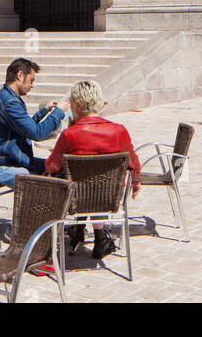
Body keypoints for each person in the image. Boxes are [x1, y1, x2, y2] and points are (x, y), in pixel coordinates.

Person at [44, 79, 140, 260]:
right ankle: (95, 235)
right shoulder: (119, 131)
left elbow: (51, 166)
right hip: (110, 197)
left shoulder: (69, 134)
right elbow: (133, 162)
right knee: (96, 183)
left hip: (76, 200)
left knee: (75, 181)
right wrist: (135, 182)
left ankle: (77, 229)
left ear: (78, 105)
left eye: (72, 104)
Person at [0, 57, 67, 187]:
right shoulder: (10, 102)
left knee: (56, 167)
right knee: (42, 181)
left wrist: (43, 111)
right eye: (31, 80)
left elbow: (25, 128)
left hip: (11, 160)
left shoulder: (9, 97)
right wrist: (59, 111)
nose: (32, 85)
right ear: (20, 75)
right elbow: (37, 133)